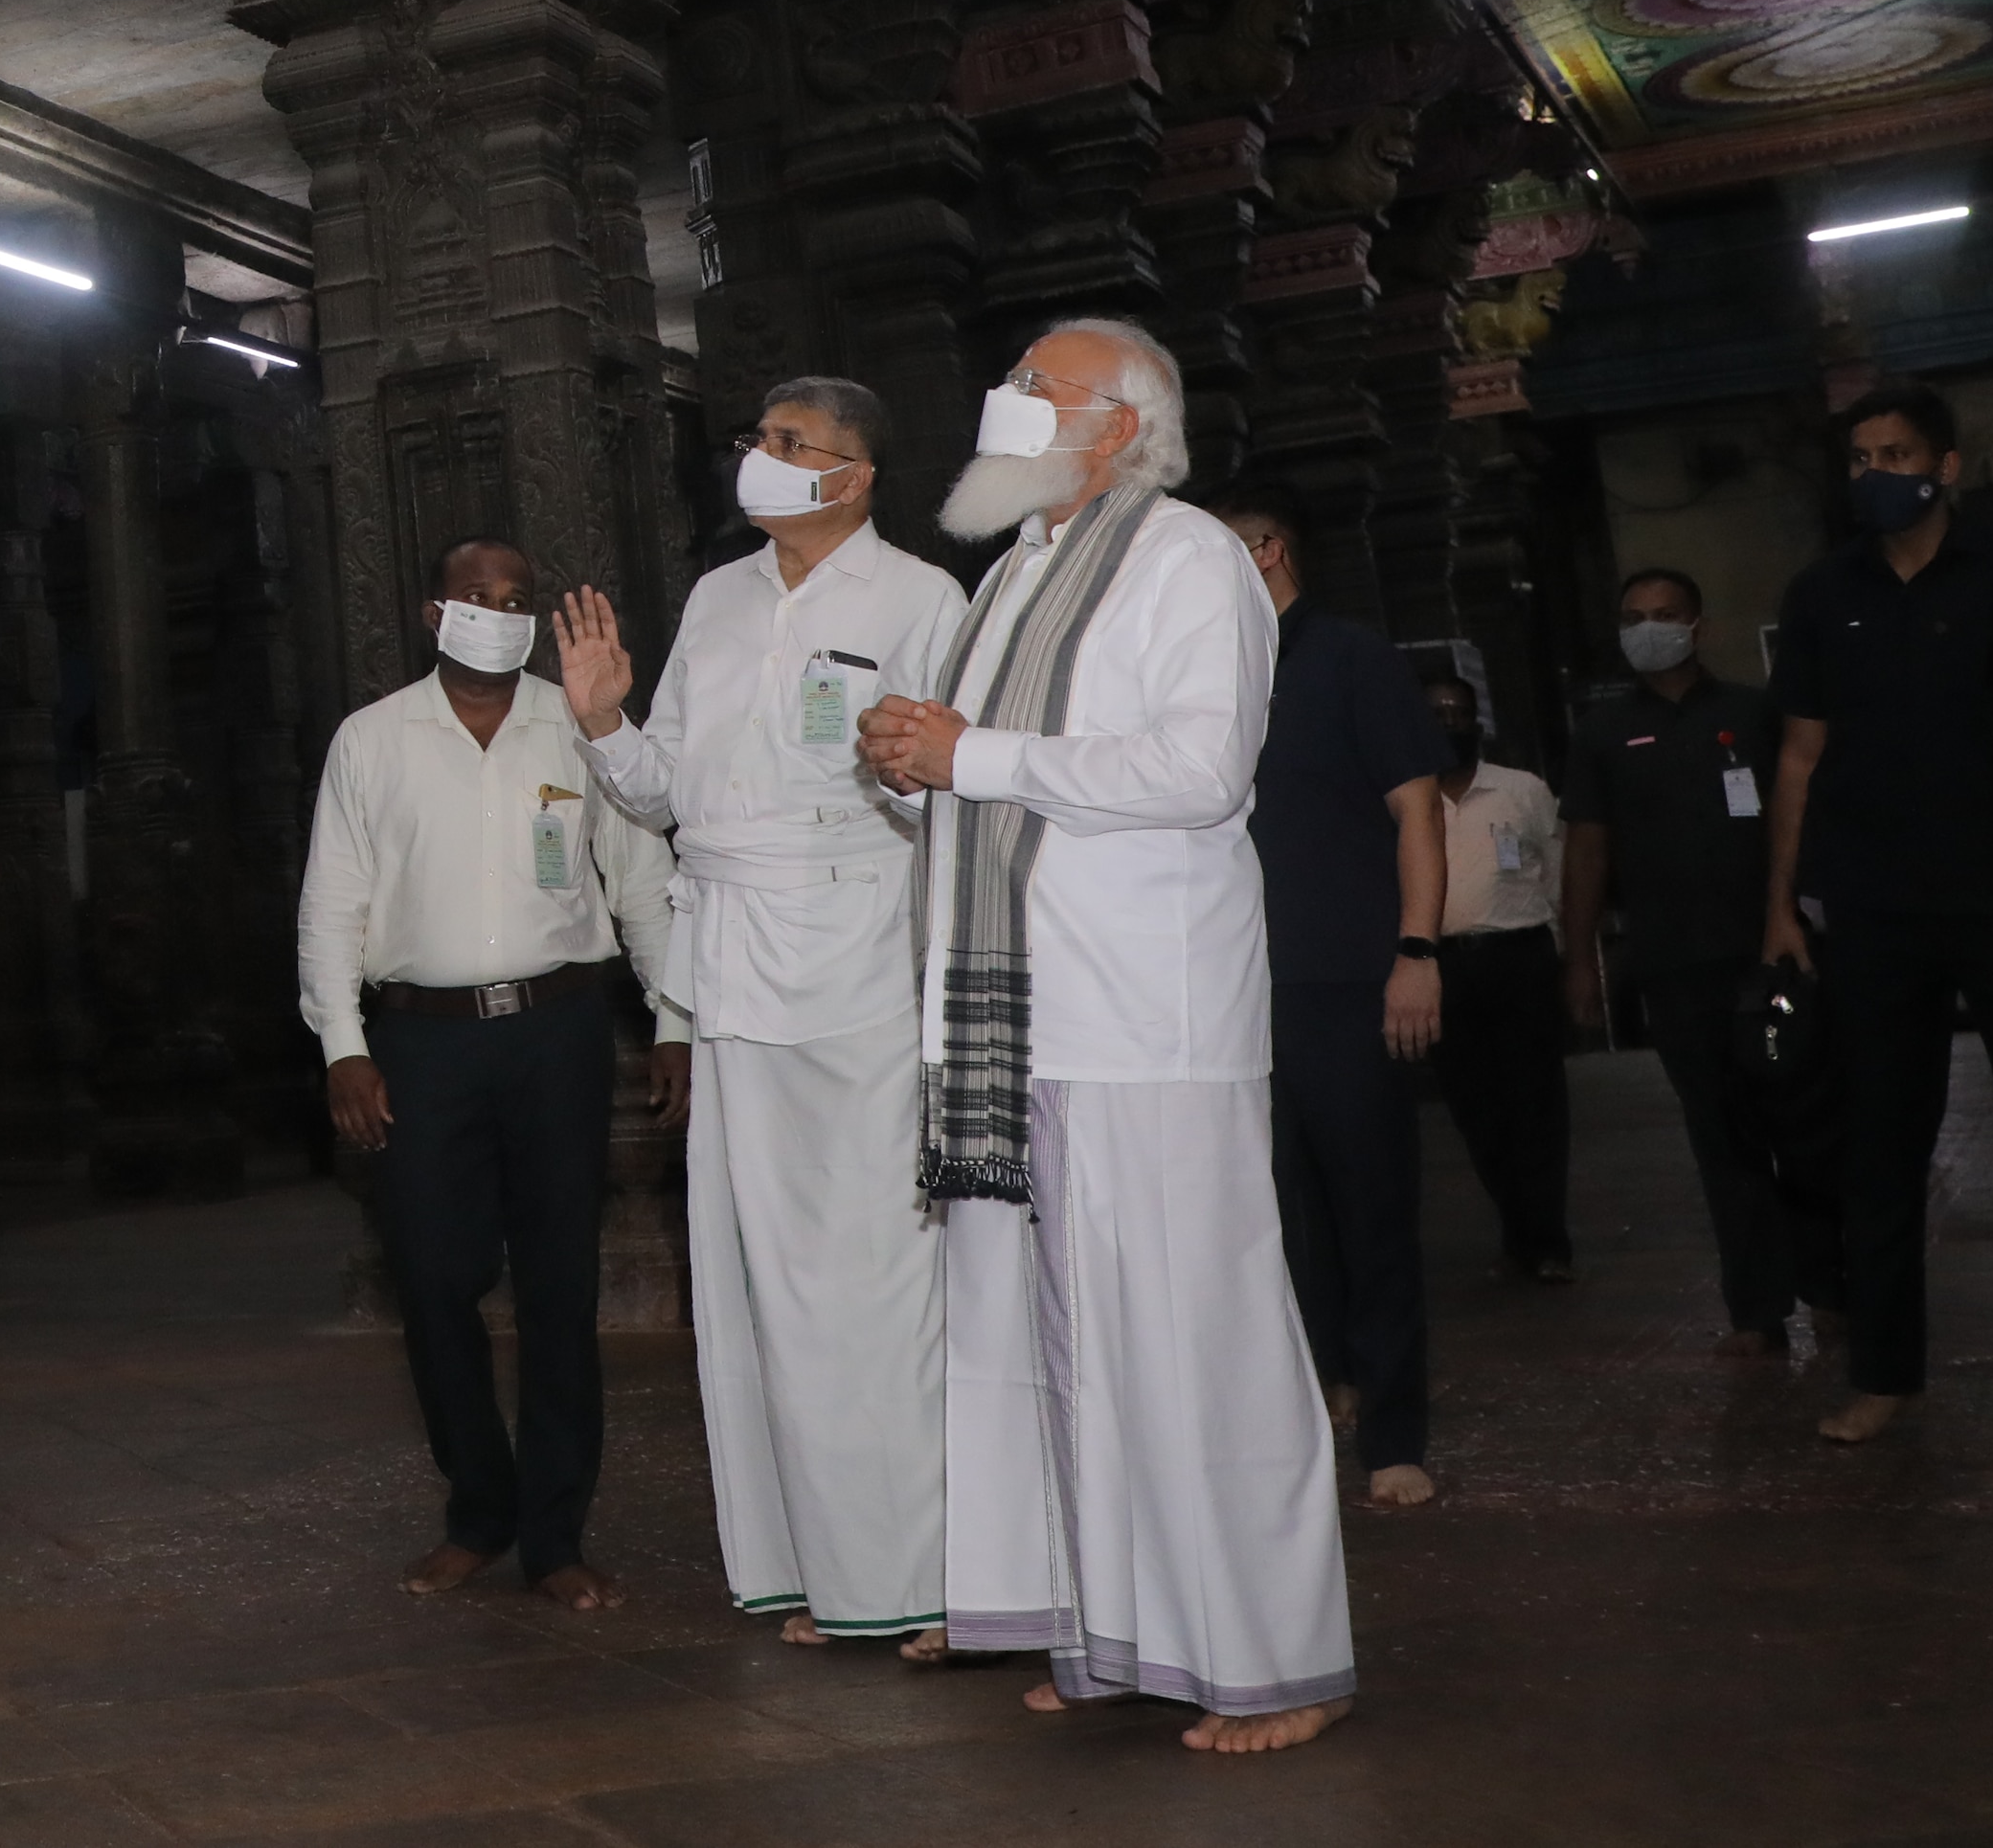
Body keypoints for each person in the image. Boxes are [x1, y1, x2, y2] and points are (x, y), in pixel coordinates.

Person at [860, 319, 1353, 1755]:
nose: (1004, 401)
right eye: (1009, 382)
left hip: (1150, 1018)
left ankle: (1284, 1656)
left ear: (1122, 426)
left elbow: (1203, 770)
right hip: (1030, 1020)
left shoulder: (1189, 556)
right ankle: (1122, 1632)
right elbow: (985, 789)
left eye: (1035, 386)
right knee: (1072, 1354)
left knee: (1202, 1345)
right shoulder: (1011, 573)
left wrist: (972, 755)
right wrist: (909, 766)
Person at [556, 378, 968, 1649]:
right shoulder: (719, 596)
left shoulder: (920, 599)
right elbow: (663, 791)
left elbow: (945, 792)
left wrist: (901, 771)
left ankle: (931, 1573)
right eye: (761, 439)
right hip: (730, 954)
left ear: (856, 475)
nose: (764, 458)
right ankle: (817, 1566)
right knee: (758, 1280)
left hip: (855, 953)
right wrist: (605, 719)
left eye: (796, 444)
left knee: (873, 1272)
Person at [298, 538, 681, 1613]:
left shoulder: (577, 723)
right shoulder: (371, 740)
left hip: (555, 1032)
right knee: (432, 1280)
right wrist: (343, 1044)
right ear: (434, 613)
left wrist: (673, 1017)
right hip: (420, 1044)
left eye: (516, 601)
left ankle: (553, 1536)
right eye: (476, 597)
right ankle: (477, 1510)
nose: (497, 614)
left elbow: (641, 879)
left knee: (560, 1285)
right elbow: (331, 905)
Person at [1767, 378, 1993, 1456]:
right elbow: (1796, 756)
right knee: (1878, 1150)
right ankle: (1883, 1375)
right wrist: (1777, 905)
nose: (1875, 474)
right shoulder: (1819, 590)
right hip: (1873, 910)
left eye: (1892, 454)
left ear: (1945, 466)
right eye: (1859, 459)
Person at [1210, 486, 1446, 1508]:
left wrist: (1416, 950)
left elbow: (1416, 811)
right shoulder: (1206, 677)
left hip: (1349, 978)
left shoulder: (1348, 659)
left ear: (1264, 549)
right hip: (1231, 986)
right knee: (1272, 1211)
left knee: (1369, 1204)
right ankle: (1317, 1388)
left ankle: (1394, 1434)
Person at [1563, 568, 1840, 1357]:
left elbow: (1804, 813)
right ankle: (1757, 1309)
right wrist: (1578, 955)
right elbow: (1586, 849)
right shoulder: (1604, 733)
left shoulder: (1754, 714)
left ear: (1699, 625)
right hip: (1676, 968)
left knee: (1806, 1122)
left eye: (1663, 615)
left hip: (1773, 961)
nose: (1648, 628)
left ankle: (1832, 1289)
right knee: (1722, 1136)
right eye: (1633, 617)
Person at [1424, 670, 1574, 1284]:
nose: (1449, 723)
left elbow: (1558, 871)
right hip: (1446, 969)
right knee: (1476, 1111)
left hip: (1520, 960)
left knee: (1536, 1105)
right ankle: (1517, 1236)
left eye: (1458, 712)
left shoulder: (1522, 791)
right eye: (1435, 713)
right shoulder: (1405, 800)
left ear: (1478, 721)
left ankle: (1549, 1243)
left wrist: (1566, 955)